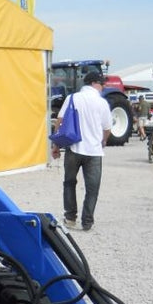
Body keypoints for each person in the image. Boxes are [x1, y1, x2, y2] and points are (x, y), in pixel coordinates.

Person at [51, 71, 111, 232]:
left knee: (69, 183)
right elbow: (107, 128)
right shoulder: (102, 103)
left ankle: (70, 218)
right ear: (94, 83)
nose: (103, 86)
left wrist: (56, 146)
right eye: (102, 83)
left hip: (73, 147)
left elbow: (60, 121)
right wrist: (103, 141)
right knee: (93, 188)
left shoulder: (72, 98)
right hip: (94, 152)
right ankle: (87, 221)